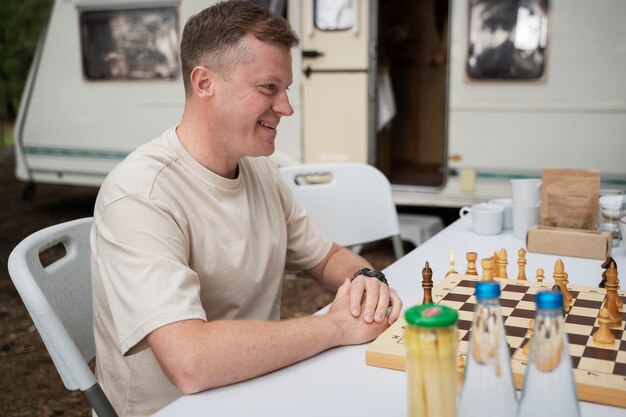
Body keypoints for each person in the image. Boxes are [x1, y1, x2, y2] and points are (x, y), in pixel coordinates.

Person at [90, 1, 402, 416]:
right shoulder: (140, 195)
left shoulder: (260, 169)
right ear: (204, 82)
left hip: (257, 387)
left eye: (286, 89)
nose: (286, 107)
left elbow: (324, 256)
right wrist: (335, 326)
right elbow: (190, 362)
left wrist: (364, 277)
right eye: (269, 88)